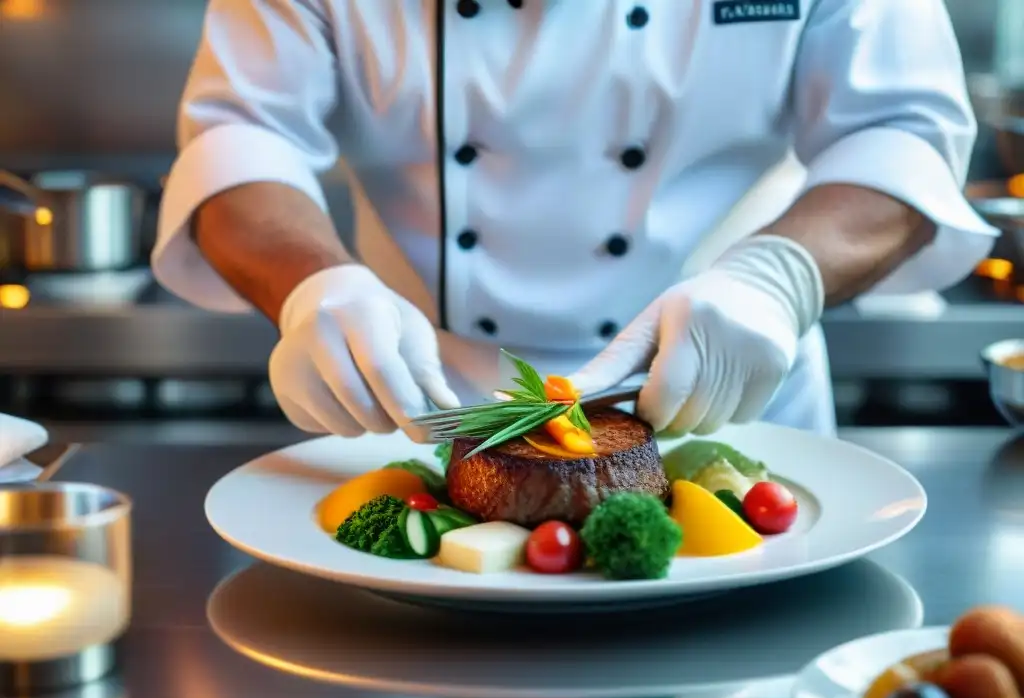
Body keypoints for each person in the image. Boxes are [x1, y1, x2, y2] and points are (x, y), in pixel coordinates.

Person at [153, 0, 997, 440]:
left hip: (729, 403)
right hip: (413, 406)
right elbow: (241, 137)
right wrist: (316, 290)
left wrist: (776, 280)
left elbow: (902, 134)